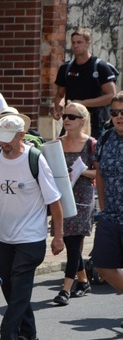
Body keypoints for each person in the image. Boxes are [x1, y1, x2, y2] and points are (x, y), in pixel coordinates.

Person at [0, 113, 64, 340]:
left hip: (31, 237)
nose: (4, 143)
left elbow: (55, 202)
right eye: (0, 138)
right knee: (10, 286)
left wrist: (57, 237)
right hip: (2, 235)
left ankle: (9, 339)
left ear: (21, 135)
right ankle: (29, 332)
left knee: (21, 283)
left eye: (8, 139)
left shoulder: (35, 160)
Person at [52, 103, 97, 305]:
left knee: (72, 242)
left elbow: (99, 173)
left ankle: (65, 289)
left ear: (83, 121)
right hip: (61, 197)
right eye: (64, 115)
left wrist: (81, 171)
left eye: (72, 116)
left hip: (82, 197)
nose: (66, 119)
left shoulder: (91, 144)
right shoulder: (56, 143)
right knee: (72, 243)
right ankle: (83, 280)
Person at [53, 29, 118, 139]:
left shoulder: (100, 67)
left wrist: (83, 103)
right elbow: (59, 95)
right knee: (62, 151)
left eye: (79, 42)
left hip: (95, 123)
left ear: (88, 43)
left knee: (93, 153)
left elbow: (111, 96)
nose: (75, 46)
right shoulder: (66, 68)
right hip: (71, 120)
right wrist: (58, 108)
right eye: (73, 43)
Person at [91, 91, 123, 295]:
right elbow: (99, 174)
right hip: (110, 215)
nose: (119, 116)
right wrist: (102, 208)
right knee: (102, 264)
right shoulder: (104, 139)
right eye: (115, 112)